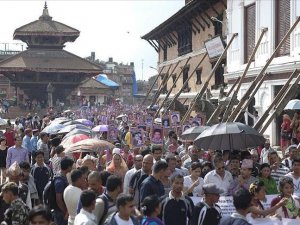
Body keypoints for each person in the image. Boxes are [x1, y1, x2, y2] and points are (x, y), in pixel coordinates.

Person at [53, 157, 74, 225]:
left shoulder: (62, 176)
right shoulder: (59, 181)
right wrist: (65, 212)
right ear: (68, 167)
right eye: (71, 166)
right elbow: (58, 200)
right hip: (60, 211)